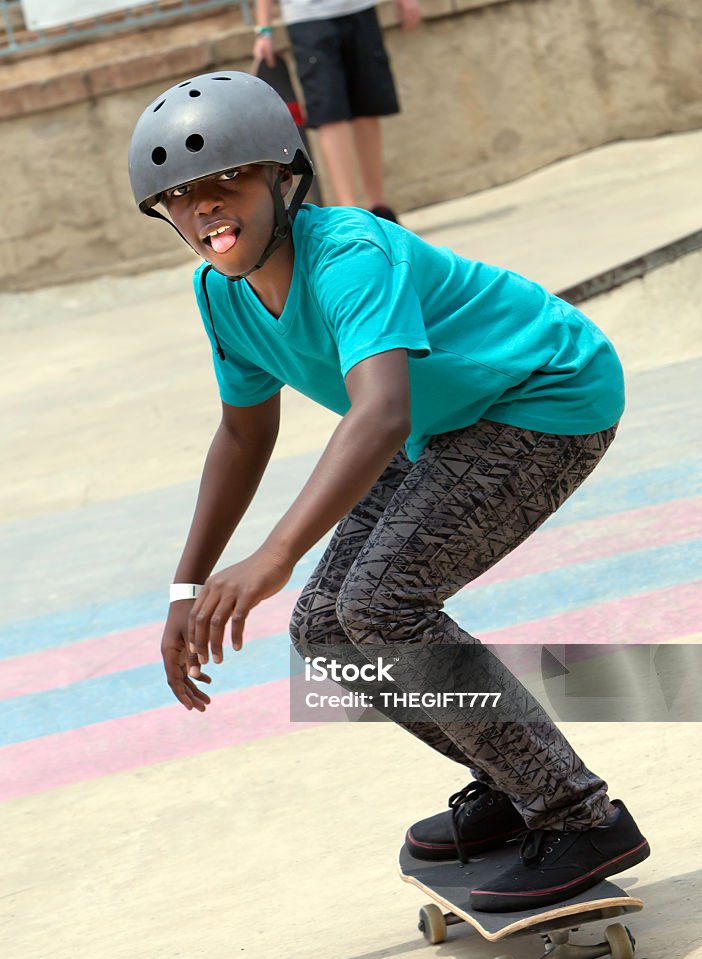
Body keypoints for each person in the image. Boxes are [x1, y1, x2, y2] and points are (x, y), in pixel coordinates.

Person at [128, 72, 650, 913]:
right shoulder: (219, 293)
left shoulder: (349, 255)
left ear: (281, 179)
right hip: (445, 424)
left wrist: (273, 554)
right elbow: (242, 433)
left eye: (227, 181)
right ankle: (515, 781)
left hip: (545, 395)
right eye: (180, 198)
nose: (206, 210)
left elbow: (377, 413)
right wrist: (187, 588)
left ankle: (578, 815)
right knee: (323, 629)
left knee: (383, 603)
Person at [253, 0, 421, 220]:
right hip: (308, 18)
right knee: (329, 114)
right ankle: (349, 214)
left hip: (360, 9)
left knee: (368, 107)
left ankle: (379, 209)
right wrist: (264, 29)